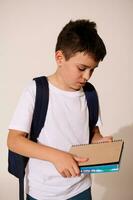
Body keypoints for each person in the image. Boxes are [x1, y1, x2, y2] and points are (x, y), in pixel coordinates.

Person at [7, 19, 112, 200]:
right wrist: (57, 156)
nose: (87, 76)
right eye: (82, 68)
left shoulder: (89, 93)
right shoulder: (36, 90)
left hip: (81, 188)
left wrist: (99, 142)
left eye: (92, 70)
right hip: (42, 192)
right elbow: (14, 141)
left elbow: (93, 132)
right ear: (59, 58)